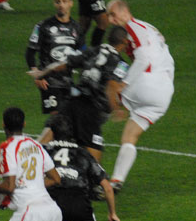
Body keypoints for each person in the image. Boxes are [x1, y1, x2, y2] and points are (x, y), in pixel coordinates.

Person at [28, 26, 130, 162]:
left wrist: (42, 73)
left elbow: (63, 64)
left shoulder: (94, 51)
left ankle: (25, 169)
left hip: (73, 101)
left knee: (46, 138)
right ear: (124, 41)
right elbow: (112, 85)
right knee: (94, 163)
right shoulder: (121, 64)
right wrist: (116, 108)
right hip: (92, 111)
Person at [106, 0, 175, 192]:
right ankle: (116, 181)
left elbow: (144, 57)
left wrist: (124, 85)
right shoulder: (149, 27)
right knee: (129, 136)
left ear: (124, 11)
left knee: (107, 84)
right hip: (164, 93)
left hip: (148, 82)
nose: (111, 20)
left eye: (113, 15)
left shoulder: (132, 27)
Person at [45, 114, 120, 221]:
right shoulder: (83, 153)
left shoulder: (44, 151)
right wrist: (112, 213)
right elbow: (107, 188)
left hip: (50, 202)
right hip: (78, 202)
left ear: (53, 133)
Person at [26, 0, 85, 118]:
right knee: (57, 119)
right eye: (58, 2)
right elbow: (30, 52)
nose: (61, 5)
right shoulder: (43, 26)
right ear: (54, 4)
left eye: (64, 1)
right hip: (49, 81)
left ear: (71, 3)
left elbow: (82, 54)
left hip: (68, 81)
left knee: (70, 119)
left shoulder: (77, 28)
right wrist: (37, 75)